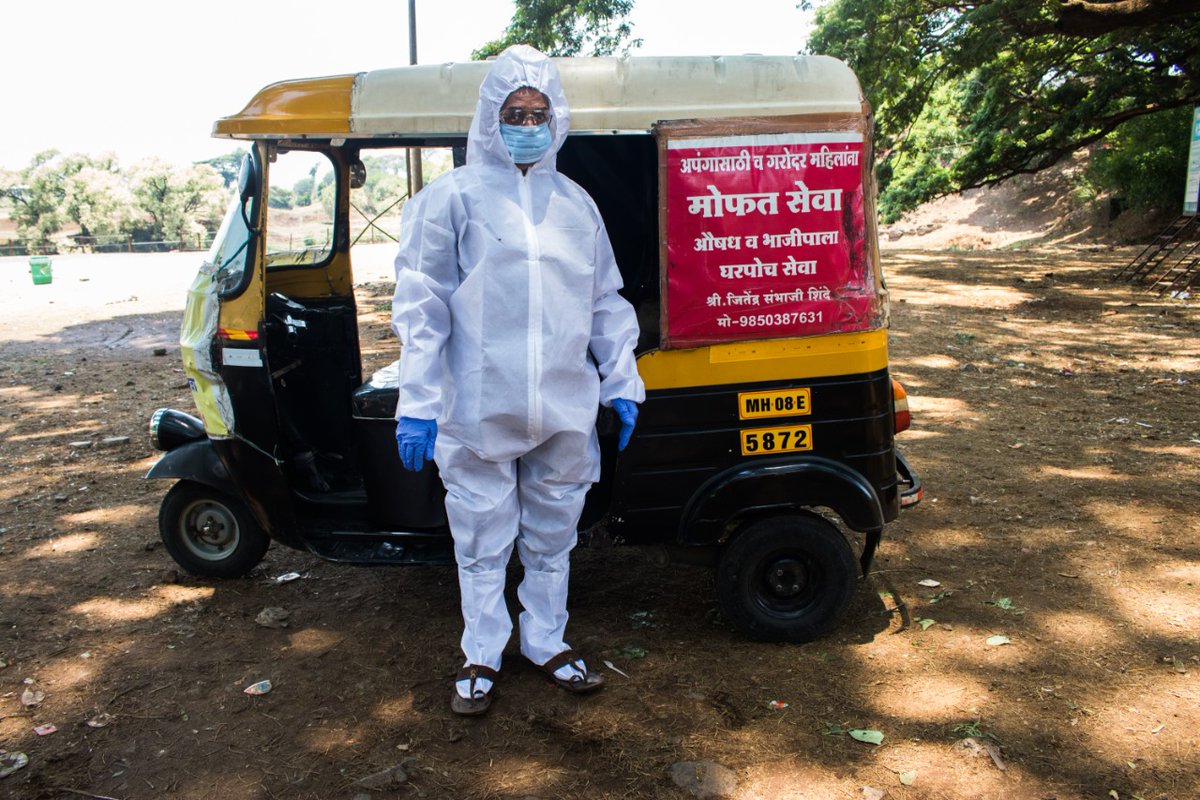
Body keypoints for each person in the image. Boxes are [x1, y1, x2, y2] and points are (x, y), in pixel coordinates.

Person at [390, 44, 645, 716]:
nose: (527, 123)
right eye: (514, 111)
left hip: (562, 402)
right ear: (489, 117)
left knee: (554, 535)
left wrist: (622, 379)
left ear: (555, 117)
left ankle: (546, 640)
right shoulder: (451, 200)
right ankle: (482, 649)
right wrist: (416, 403)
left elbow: (605, 302)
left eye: (538, 111)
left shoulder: (576, 204)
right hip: (479, 404)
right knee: (480, 537)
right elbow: (422, 309)